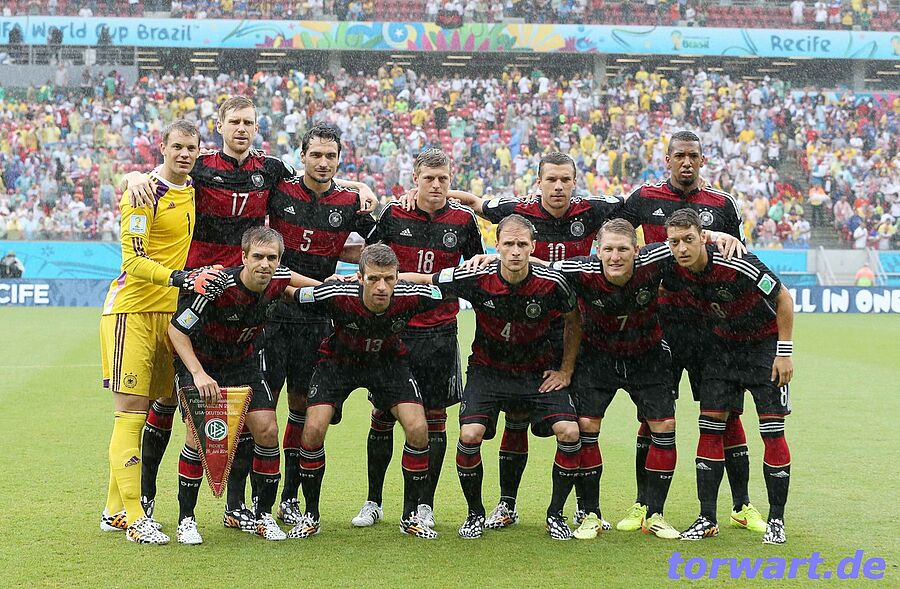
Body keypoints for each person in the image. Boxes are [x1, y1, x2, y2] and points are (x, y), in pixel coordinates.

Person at [123, 97, 377, 530]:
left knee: (258, 411)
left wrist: (360, 186)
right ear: (219, 125)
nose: (241, 128)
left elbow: (317, 174)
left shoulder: (271, 169)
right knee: (166, 400)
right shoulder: (200, 166)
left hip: (253, 295)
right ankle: (145, 499)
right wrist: (133, 176)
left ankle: (241, 506)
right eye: (234, 121)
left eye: (249, 122)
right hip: (200, 289)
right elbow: (162, 172)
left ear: (257, 128)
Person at [439, 152, 621, 529]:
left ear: (575, 182)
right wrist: (429, 192)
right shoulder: (515, 211)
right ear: (538, 183)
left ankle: (586, 509)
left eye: (565, 179)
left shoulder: (592, 210)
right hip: (512, 345)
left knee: (583, 425)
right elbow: (475, 203)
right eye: (551, 179)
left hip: (566, 338)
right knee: (515, 422)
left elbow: (638, 207)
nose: (558, 186)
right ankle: (503, 505)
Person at [615, 130, 761, 536]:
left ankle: (742, 505)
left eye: (693, 156)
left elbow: (740, 258)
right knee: (653, 417)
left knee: (726, 416)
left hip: (712, 330)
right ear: (667, 159)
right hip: (660, 326)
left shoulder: (722, 204)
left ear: (703, 160)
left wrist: (723, 238)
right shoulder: (644, 199)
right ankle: (644, 505)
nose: (686, 162)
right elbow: (617, 237)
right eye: (679, 155)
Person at [404, 215, 583, 540]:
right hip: (488, 370)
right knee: (469, 435)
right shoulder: (475, 276)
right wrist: (379, 279)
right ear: (495, 245)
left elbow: (574, 320)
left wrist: (566, 370)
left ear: (533, 247)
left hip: (535, 373)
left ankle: (555, 514)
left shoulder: (552, 282)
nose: (515, 251)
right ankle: (475, 513)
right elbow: (427, 279)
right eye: (508, 244)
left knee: (570, 433)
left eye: (522, 244)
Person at [98, 120, 222, 545]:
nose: (185, 154)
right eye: (177, 147)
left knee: (154, 406)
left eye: (191, 148)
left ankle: (114, 510)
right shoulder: (143, 193)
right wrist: (181, 278)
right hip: (132, 312)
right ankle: (136, 518)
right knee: (131, 413)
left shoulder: (192, 189)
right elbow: (132, 261)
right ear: (162, 147)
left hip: (167, 317)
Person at [350, 148, 484, 530]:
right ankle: (373, 501)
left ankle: (424, 505)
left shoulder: (464, 220)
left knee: (435, 420)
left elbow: (476, 268)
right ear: (415, 179)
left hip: (440, 332)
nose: (437, 185)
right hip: (395, 331)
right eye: (429, 179)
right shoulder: (394, 214)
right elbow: (369, 260)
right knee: (382, 415)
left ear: (451, 179)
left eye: (443, 178)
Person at [167, 226, 319, 544]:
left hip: (242, 364)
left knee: (267, 430)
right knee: (196, 437)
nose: (265, 264)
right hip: (202, 364)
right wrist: (198, 374)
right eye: (258, 257)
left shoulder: (279, 279)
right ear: (244, 257)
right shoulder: (217, 287)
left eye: (272, 258)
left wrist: (347, 287)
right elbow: (177, 330)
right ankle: (186, 520)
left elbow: (316, 288)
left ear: (280, 260)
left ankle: (263, 516)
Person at [287, 244, 445, 540]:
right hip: (339, 363)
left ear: (398, 277)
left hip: (388, 364)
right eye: (373, 279)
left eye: (388, 278)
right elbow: (290, 291)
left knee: (418, 428)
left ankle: (410, 516)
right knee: (313, 429)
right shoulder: (336, 295)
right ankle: (311, 515)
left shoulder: (412, 296)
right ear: (359, 278)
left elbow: (443, 287)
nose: (381, 287)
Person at [263, 124, 375, 526]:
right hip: (272, 314)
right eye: (316, 155)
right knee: (260, 411)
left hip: (315, 322)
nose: (323, 162)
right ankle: (247, 503)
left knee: (302, 408)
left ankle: (289, 498)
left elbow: (382, 244)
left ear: (339, 159)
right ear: (302, 156)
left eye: (331, 156)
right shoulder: (280, 191)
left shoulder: (350, 203)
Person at [663, 209, 795, 545]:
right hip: (720, 350)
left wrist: (784, 353)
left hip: (762, 349)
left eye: (688, 239)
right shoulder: (672, 265)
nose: (681, 248)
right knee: (710, 428)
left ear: (702, 236)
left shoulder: (735, 261)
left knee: (772, 431)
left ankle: (776, 520)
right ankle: (707, 518)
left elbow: (783, 297)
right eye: (675, 242)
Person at [549, 218, 679, 540]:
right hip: (597, 357)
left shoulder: (656, 259)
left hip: (646, 355)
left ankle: (655, 514)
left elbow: (690, 241)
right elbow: (538, 267)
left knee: (664, 427)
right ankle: (591, 514)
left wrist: (720, 236)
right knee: (587, 427)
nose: (615, 256)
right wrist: (488, 259)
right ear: (597, 251)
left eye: (623, 249)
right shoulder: (580, 269)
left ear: (637, 250)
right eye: (608, 249)